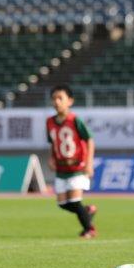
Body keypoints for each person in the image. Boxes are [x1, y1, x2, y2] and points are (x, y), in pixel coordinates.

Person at [46, 84, 97, 239]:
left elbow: (89, 140)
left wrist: (89, 163)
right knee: (62, 204)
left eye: (60, 98)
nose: (56, 102)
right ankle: (87, 211)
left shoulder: (75, 120)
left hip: (77, 167)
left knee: (74, 201)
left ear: (70, 101)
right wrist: (51, 158)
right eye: (54, 98)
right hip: (61, 169)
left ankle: (89, 229)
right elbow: (53, 142)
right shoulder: (49, 122)